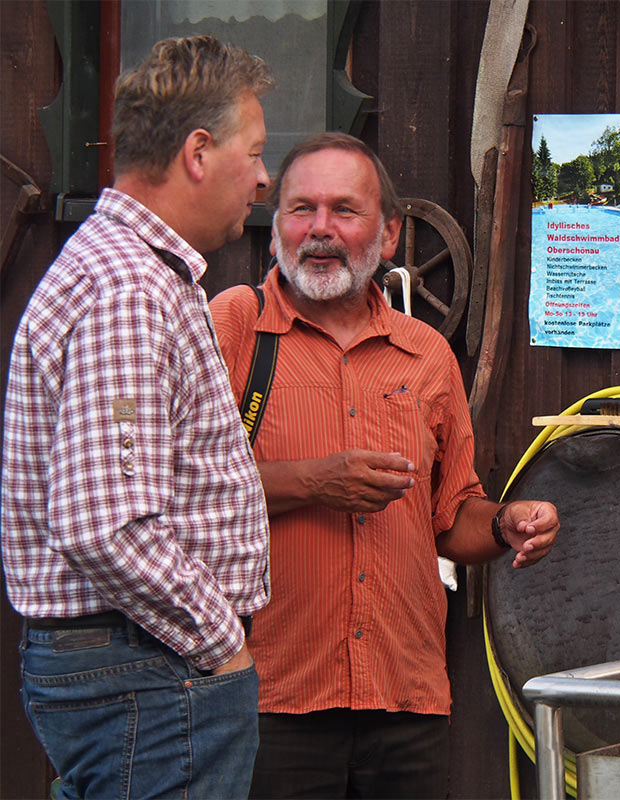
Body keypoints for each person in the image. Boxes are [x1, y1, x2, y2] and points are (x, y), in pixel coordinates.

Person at [208, 132, 560, 800]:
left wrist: (509, 522)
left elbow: (451, 517)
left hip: (404, 699)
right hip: (266, 698)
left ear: (390, 234)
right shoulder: (232, 328)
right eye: (300, 209)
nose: (319, 230)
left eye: (344, 210)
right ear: (276, 223)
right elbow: (179, 493)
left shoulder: (426, 355)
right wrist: (316, 482)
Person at [2, 36, 274, 799]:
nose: (262, 177)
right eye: (253, 152)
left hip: (137, 668)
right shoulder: (130, 291)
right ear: (197, 151)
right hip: (150, 674)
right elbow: (106, 525)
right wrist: (222, 644)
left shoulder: (130, 268)